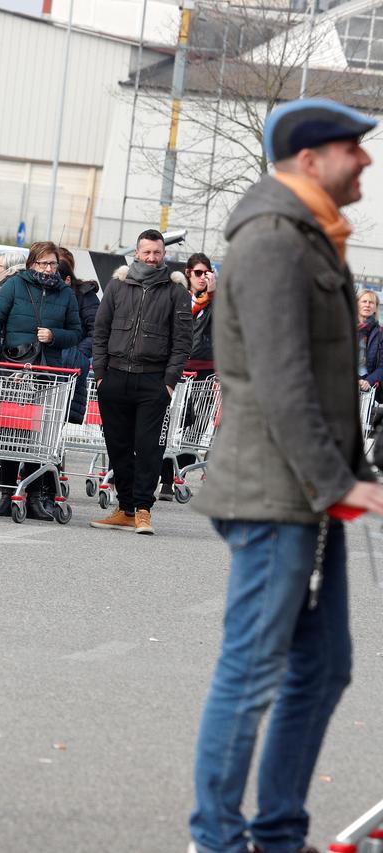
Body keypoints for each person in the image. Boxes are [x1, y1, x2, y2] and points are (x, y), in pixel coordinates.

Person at [189, 98, 383, 853]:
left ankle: (276, 832)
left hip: (303, 494)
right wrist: (337, 482)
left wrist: (346, 475)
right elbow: (282, 381)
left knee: (325, 664)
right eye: (352, 149)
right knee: (252, 670)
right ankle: (219, 839)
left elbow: (329, 385)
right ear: (309, 160)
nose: (365, 160)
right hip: (276, 494)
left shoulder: (311, 236)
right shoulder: (273, 240)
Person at [87, 229, 191, 534]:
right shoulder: (118, 286)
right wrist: (100, 374)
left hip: (153, 382)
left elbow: (182, 342)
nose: (152, 258)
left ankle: (144, 509)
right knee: (118, 446)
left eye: (157, 253)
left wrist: (169, 383)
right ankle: (126, 508)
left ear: (164, 255)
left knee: (147, 449)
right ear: (137, 253)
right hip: (115, 378)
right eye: (146, 252)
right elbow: (100, 331)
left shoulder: (176, 292)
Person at [0, 240, 82, 520]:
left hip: (48, 372)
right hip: (14, 368)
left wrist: (54, 336)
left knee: (40, 437)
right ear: (31, 264)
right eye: (43, 263)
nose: (49, 269)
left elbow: (76, 332)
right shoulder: (14, 286)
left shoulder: (66, 294)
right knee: (10, 432)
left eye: (53, 264)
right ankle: (7, 492)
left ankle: (36, 497)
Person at [160, 252, 217, 500]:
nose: (202, 278)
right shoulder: (182, 297)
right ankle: (163, 478)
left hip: (207, 368)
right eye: (198, 273)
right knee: (170, 423)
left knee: (197, 426)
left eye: (207, 273)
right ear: (188, 273)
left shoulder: (218, 300)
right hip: (180, 366)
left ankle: (177, 474)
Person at [57, 246, 100, 425]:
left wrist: (75, 354)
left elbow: (97, 331)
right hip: (45, 364)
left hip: (71, 367)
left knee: (58, 419)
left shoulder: (84, 295)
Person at [358, 289, 383, 395]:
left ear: (375, 308)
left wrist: (369, 380)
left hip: (367, 385)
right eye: (364, 301)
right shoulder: (344, 328)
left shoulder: (381, 333)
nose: (367, 305)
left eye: (371, 302)